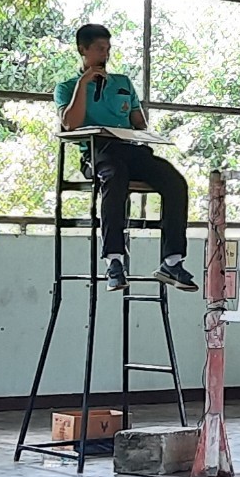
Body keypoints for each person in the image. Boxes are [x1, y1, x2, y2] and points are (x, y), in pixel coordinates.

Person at [55, 23, 198, 293]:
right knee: (115, 176)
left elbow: (139, 122)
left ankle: (172, 261)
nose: (105, 55)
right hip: (98, 152)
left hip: (129, 148)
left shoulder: (122, 83)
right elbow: (70, 124)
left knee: (174, 180)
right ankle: (114, 260)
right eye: (99, 49)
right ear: (83, 50)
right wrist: (84, 84)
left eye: (108, 49)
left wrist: (134, 118)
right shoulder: (67, 87)